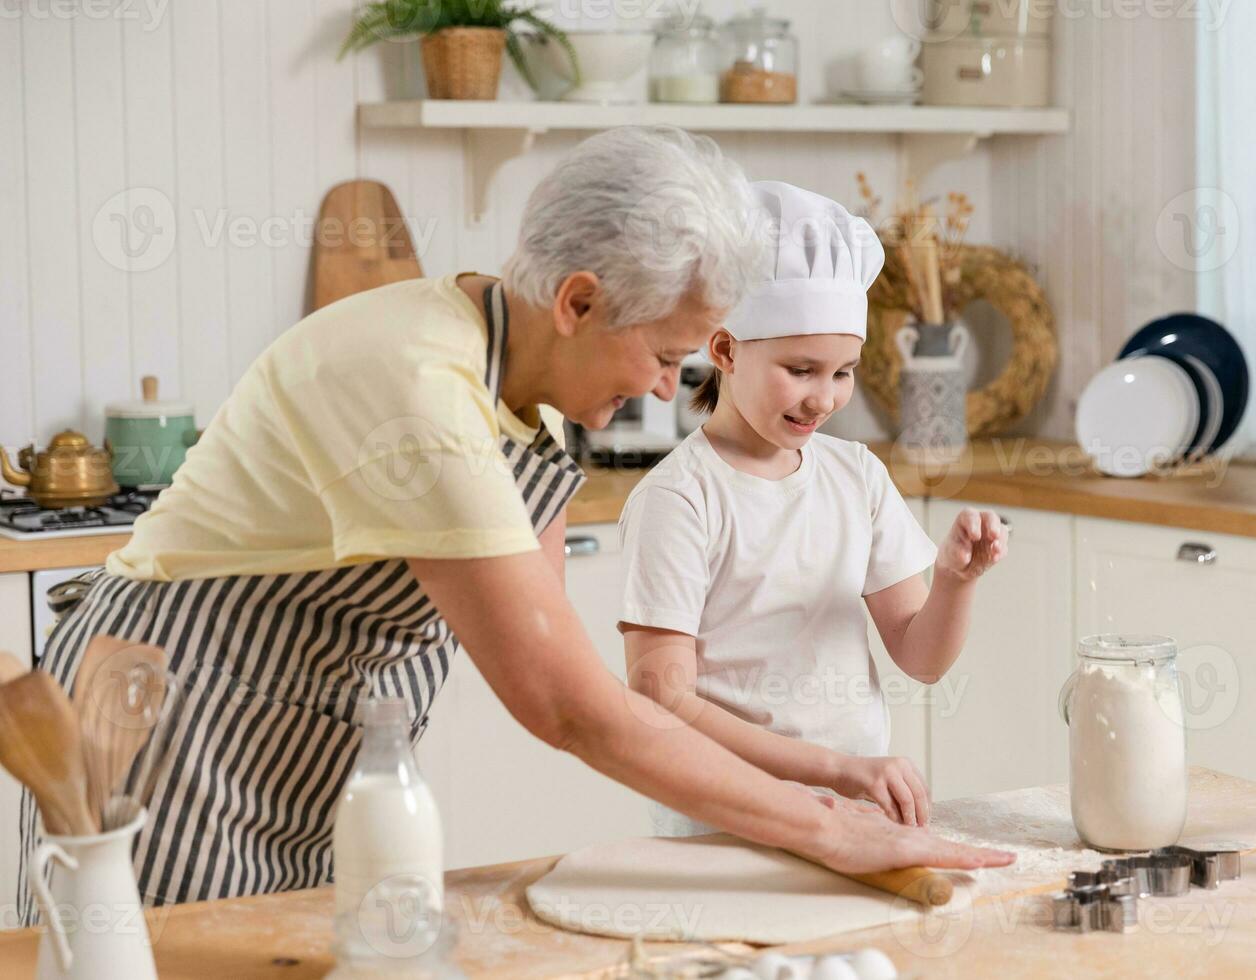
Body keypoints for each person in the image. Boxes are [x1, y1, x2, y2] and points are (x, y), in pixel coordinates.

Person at [17, 131, 1010, 924]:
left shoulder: (521, 381)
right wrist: (831, 824)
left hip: (301, 739)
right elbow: (568, 706)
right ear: (578, 300)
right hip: (175, 718)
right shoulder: (422, 390)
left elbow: (574, 673)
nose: (668, 387)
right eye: (666, 355)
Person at [618, 181, 1011, 837]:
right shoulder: (680, 497)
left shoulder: (854, 474)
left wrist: (954, 581)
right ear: (725, 350)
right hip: (725, 824)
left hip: (851, 815)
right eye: (801, 369)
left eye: (842, 371)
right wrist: (836, 768)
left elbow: (922, 657)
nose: (825, 397)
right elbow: (662, 696)